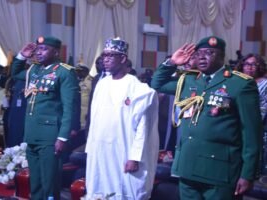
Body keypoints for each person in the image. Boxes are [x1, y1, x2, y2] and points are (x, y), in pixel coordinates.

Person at [151, 36, 262, 200]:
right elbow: (157, 84)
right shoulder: (189, 80)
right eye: (199, 53)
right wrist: (172, 63)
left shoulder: (240, 84)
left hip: (219, 171)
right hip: (188, 166)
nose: (202, 57)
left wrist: (248, 174)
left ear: (222, 56)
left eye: (209, 53)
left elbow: (252, 134)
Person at [85, 37, 159, 200]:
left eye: (111, 56)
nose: (105, 60)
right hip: (101, 151)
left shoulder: (138, 89)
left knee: (125, 191)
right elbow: (95, 120)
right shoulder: (102, 84)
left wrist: (135, 157)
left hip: (124, 151)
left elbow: (143, 127)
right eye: (104, 56)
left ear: (123, 59)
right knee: (99, 188)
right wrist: (90, 148)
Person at [11, 36, 80, 200]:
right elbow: (15, 74)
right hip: (32, 133)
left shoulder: (64, 71)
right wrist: (22, 55)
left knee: (49, 181)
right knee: (35, 181)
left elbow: (69, 108)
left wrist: (63, 137)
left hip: (50, 136)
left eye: (44, 49)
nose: (38, 52)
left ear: (55, 52)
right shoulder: (34, 70)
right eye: (37, 49)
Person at [236, 53, 267, 175]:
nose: (250, 67)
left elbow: (263, 108)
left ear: (259, 66)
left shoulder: (264, 84)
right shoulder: (237, 81)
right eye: (247, 64)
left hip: (257, 124)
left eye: (254, 64)